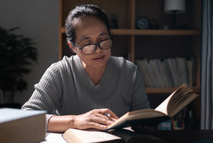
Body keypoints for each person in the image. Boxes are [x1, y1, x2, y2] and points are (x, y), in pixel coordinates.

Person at [22, 4, 150, 133]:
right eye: (87, 44)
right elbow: (26, 118)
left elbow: (144, 116)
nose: (98, 50)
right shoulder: (59, 72)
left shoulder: (129, 71)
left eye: (103, 39)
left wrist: (146, 124)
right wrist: (75, 121)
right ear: (72, 47)